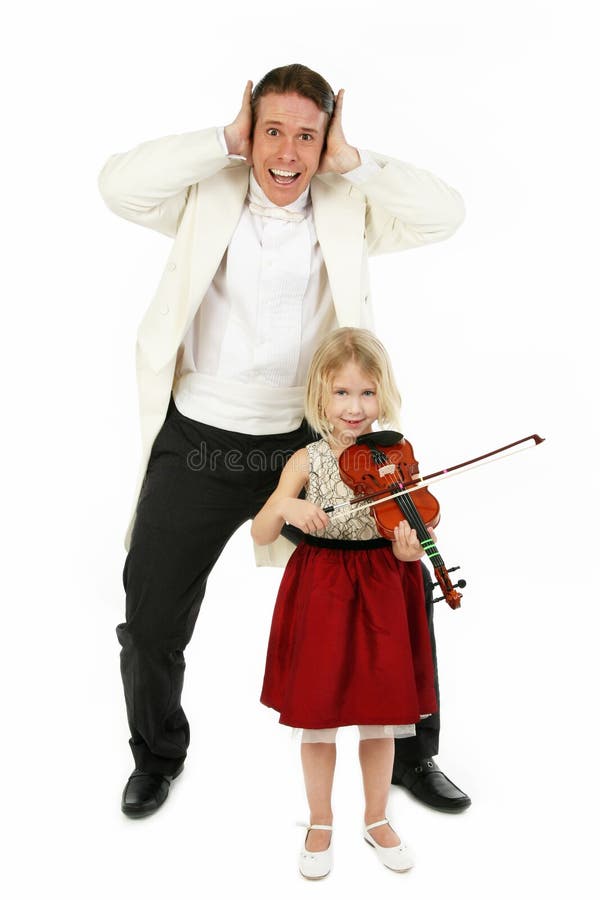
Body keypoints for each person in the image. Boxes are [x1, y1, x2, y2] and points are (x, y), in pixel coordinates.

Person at [98, 63, 468, 817]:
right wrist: (221, 140)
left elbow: (443, 215)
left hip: (309, 443)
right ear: (250, 130)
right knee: (150, 614)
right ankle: (159, 754)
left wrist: (353, 161)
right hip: (201, 441)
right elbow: (118, 187)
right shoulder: (209, 191)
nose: (288, 154)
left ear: (326, 138)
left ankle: (410, 754)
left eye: (307, 135)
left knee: (399, 582)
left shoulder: (345, 204)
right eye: (273, 132)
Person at [252, 327, 437, 878]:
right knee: (319, 717)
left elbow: (410, 533)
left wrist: (408, 552)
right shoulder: (307, 459)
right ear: (320, 395)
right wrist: (287, 506)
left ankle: (376, 818)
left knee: (380, 718)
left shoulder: (396, 455)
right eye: (342, 393)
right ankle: (320, 820)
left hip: (382, 586)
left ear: (383, 395)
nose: (354, 408)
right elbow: (261, 533)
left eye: (366, 393)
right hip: (323, 589)